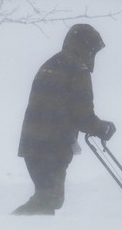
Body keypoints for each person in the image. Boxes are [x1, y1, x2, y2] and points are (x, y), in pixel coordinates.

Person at [13, 23, 116, 215]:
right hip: (52, 146)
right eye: (93, 51)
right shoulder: (77, 69)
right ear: (87, 48)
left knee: (46, 198)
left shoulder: (52, 63)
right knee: (48, 199)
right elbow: (82, 113)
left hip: (32, 143)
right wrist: (102, 128)